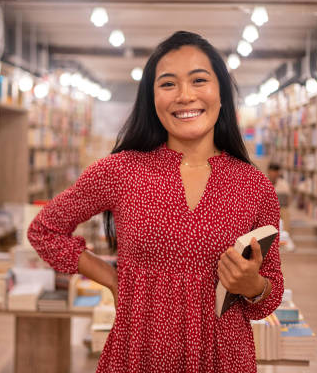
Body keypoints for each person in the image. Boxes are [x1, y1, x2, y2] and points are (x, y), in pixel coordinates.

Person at [28, 31, 283, 372]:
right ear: (152, 99)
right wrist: (113, 279)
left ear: (221, 93)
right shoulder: (121, 171)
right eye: (167, 84)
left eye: (199, 80)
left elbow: (270, 291)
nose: (184, 95)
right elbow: (45, 230)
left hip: (223, 357)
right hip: (139, 352)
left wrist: (253, 285)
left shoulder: (254, 186)